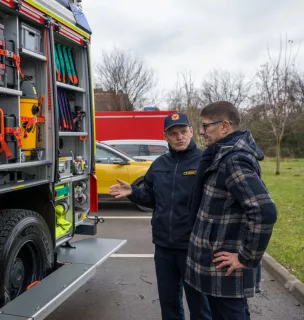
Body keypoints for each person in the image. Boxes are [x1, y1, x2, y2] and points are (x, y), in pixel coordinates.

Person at [109, 112, 211, 320]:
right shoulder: (159, 165)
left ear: (191, 132)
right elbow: (150, 198)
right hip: (164, 247)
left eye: (183, 131)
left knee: (200, 305)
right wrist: (133, 193)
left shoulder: (205, 162)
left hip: (194, 248)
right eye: (173, 133)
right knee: (169, 302)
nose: (179, 137)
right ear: (165, 137)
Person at [185, 101, 278, 320]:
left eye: (206, 126)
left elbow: (264, 210)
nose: (201, 131)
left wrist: (246, 258)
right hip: (217, 268)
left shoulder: (234, 160)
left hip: (225, 269)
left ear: (225, 126)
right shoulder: (222, 154)